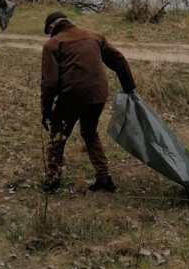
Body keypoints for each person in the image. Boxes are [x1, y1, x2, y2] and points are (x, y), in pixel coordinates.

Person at [40, 11, 136, 193]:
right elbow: (119, 59)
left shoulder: (52, 44)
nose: (50, 35)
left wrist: (46, 111)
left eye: (49, 31)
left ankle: (52, 181)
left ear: (52, 27)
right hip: (98, 95)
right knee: (90, 133)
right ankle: (104, 179)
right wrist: (129, 87)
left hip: (72, 97)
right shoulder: (94, 36)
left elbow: (49, 83)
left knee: (58, 138)